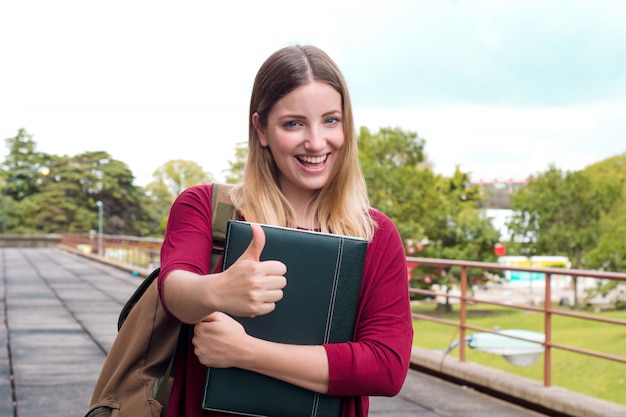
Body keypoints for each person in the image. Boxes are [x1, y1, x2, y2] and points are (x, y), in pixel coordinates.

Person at [157, 44, 414, 417]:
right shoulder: (204, 206)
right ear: (261, 129)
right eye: (293, 123)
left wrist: (246, 352)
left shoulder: (375, 234)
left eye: (330, 120)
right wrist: (217, 290)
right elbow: (174, 292)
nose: (315, 142)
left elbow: (386, 367)